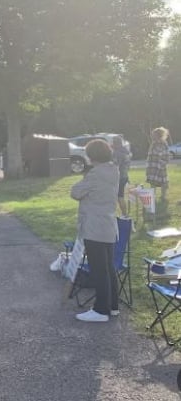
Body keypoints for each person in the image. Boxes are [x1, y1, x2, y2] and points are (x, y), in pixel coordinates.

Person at [71, 139, 119, 322]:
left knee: (99, 271)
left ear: (92, 156)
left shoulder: (95, 174)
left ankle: (100, 310)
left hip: (94, 227)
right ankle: (113, 306)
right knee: (109, 269)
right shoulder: (114, 170)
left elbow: (75, 192)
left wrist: (84, 178)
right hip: (108, 225)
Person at [146, 126, 170, 200]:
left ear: (158, 135)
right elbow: (151, 154)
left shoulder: (163, 143)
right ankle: (153, 196)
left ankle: (163, 196)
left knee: (163, 182)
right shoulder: (154, 143)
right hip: (153, 166)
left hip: (160, 166)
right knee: (153, 182)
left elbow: (164, 154)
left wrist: (162, 162)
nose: (152, 135)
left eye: (154, 134)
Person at [112, 136, 131, 216]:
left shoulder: (117, 153)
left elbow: (116, 165)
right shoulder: (126, 151)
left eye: (113, 142)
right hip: (125, 175)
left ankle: (124, 214)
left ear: (116, 143)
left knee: (119, 197)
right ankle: (124, 214)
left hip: (119, 177)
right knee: (120, 196)